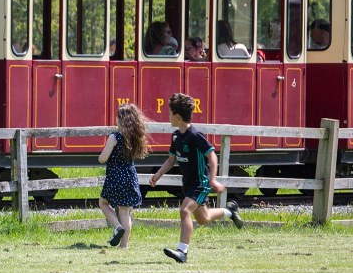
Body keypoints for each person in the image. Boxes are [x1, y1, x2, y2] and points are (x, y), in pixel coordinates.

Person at [148, 93, 244, 263]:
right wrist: (157, 175)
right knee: (204, 218)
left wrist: (213, 180)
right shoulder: (176, 136)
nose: (168, 116)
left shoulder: (195, 135)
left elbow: (212, 156)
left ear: (177, 116)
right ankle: (230, 211)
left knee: (185, 211)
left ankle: (182, 252)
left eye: (169, 113)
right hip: (188, 183)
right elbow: (171, 160)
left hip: (200, 183)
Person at [98, 103, 149, 248]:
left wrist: (100, 158)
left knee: (103, 203)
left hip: (115, 176)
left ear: (120, 120)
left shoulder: (114, 137)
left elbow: (103, 158)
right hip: (130, 176)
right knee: (125, 212)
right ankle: (124, 245)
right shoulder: (135, 138)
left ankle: (117, 227)